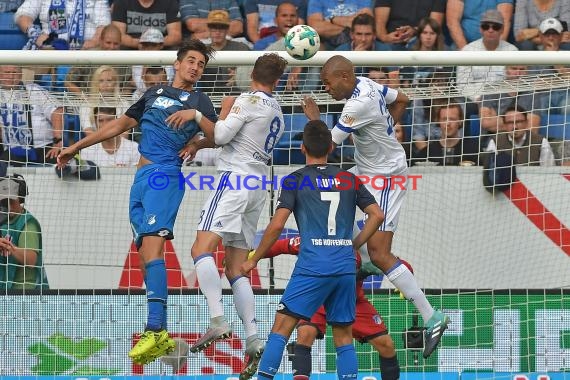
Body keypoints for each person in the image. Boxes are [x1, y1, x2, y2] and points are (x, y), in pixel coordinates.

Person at [56, 40, 218, 365]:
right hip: (140, 181)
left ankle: (155, 329)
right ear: (177, 63)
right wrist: (76, 146)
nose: (195, 67)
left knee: (154, 250)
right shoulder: (153, 94)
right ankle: (160, 334)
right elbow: (119, 125)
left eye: (201, 63)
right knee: (145, 256)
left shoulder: (199, 100)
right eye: (191, 60)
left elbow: (220, 134)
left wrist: (198, 134)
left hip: (165, 176)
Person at [301, 54, 449, 359]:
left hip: (385, 178)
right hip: (370, 171)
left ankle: (432, 316)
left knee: (382, 253)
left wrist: (314, 117)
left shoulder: (358, 105)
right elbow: (403, 99)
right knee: (334, 205)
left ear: (343, 77)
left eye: (328, 83)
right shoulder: (368, 84)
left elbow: (326, 146)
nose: (326, 88)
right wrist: (385, 128)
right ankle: (364, 257)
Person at [241, 120, 384, 380]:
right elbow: (377, 214)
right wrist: (354, 243)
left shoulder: (296, 180)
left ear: (302, 148)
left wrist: (255, 259)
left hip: (313, 265)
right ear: (331, 147)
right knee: (343, 335)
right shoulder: (349, 179)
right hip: (344, 267)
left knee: (281, 327)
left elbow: (276, 225)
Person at [187, 53, 288, 380]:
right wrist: (203, 142)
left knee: (200, 250)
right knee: (234, 268)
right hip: (258, 187)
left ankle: (217, 320)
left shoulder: (247, 100)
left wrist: (199, 114)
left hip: (234, 181)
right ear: (277, 81)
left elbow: (223, 136)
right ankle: (253, 338)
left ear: (252, 75)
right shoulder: (278, 111)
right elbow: (234, 140)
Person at [250, 236, 402, 380]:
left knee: (386, 344)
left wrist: (404, 281)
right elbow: (282, 245)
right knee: (305, 333)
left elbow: (393, 262)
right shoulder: (314, 239)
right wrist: (252, 256)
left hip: (351, 300)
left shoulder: (362, 247)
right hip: (318, 299)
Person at [0, 64, 64, 176]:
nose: (11, 77)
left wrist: (58, 141)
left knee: (64, 163)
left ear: (20, 75)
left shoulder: (34, 90)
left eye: (14, 73)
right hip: (13, 150)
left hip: (44, 147)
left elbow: (56, 111)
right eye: (7, 73)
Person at [0, 174, 48, 290]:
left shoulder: (27, 223)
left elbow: (31, 259)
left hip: (26, 291)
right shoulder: (2, 219)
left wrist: (9, 247)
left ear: (20, 198)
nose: (8, 205)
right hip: (6, 289)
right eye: (4, 201)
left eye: (11, 200)